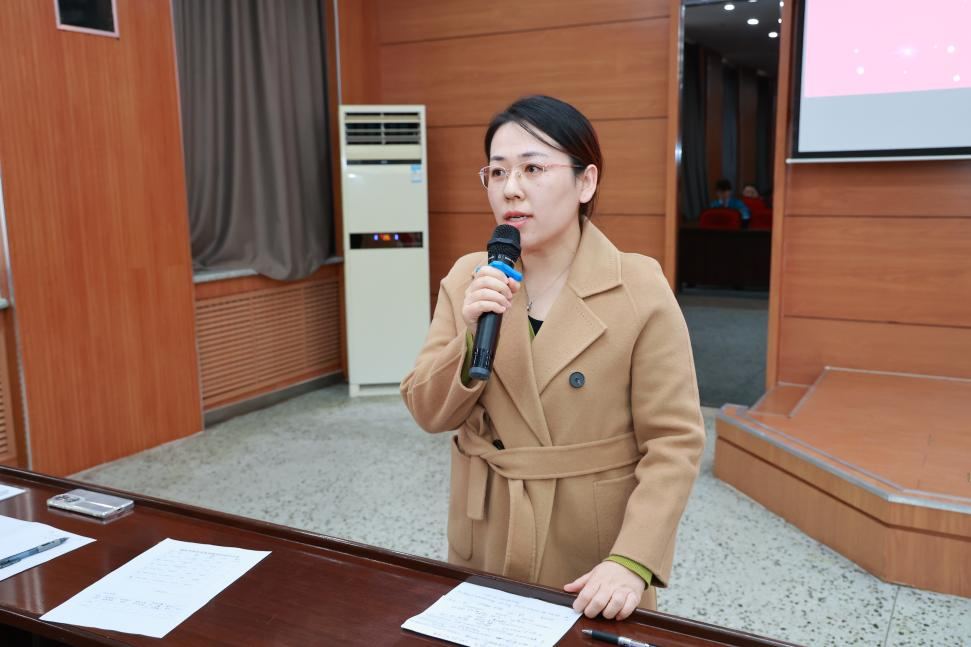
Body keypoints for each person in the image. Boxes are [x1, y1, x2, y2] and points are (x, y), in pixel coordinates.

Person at [400, 96, 704, 621]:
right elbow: (428, 413)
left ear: (586, 182)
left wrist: (632, 560)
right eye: (497, 172)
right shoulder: (469, 277)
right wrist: (470, 336)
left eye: (533, 168)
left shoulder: (639, 287)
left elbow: (674, 442)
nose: (510, 188)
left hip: (591, 549)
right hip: (487, 528)